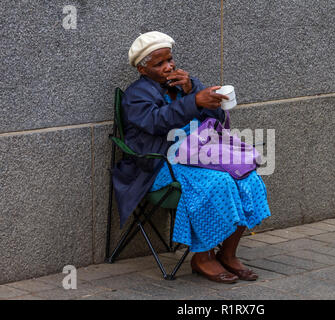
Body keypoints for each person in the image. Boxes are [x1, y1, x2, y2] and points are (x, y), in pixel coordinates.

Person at [112, 31, 271, 283]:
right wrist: (194, 100)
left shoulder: (183, 85)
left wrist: (192, 90)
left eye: (170, 60)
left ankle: (228, 254)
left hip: (198, 154)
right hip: (158, 164)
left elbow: (217, 123)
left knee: (247, 177)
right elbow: (156, 122)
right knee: (218, 182)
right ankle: (202, 257)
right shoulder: (137, 95)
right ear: (143, 70)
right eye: (159, 64)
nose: (169, 67)